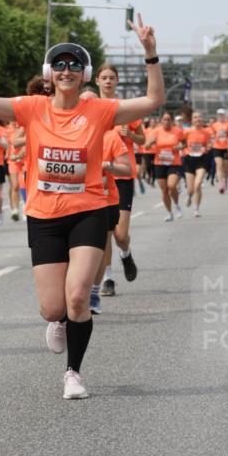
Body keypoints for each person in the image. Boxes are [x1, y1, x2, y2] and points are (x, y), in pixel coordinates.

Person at [0, 15, 164, 400]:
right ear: (49, 74)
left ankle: (73, 372)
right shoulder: (31, 109)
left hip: (88, 211)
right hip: (44, 216)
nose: (67, 70)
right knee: (52, 306)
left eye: (74, 64)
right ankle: (57, 320)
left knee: (78, 298)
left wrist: (151, 54)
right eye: (59, 64)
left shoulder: (100, 112)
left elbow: (154, 101)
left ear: (85, 73)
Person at [79, 89, 131, 315]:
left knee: (99, 248)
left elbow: (126, 168)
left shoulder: (110, 136)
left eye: (92, 102)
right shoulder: (68, 132)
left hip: (105, 199)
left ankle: (94, 291)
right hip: (73, 199)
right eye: (84, 102)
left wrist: (107, 166)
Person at [95, 63, 144, 294]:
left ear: (117, 81)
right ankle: (108, 278)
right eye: (103, 77)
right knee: (104, 230)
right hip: (98, 176)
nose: (107, 81)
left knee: (120, 234)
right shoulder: (89, 107)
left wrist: (130, 134)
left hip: (122, 175)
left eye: (111, 78)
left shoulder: (126, 109)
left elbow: (143, 140)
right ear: (97, 81)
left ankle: (126, 253)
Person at [146, 112, 185, 221]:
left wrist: (180, 146)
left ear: (172, 121)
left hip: (174, 163)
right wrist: (151, 143)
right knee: (164, 191)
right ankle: (170, 213)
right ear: (161, 121)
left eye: (169, 119)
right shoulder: (156, 132)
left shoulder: (178, 131)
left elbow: (184, 144)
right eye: (164, 119)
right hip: (160, 163)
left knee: (171, 186)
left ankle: (177, 206)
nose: (167, 121)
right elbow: (146, 146)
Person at [182, 111, 212, 217]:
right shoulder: (186, 132)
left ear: (202, 119)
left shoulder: (207, 132)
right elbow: (181, 144)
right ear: (192, 120)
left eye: (199, 117)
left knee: (198, 184)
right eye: (195, 118)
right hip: (189, 159)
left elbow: (209, 144)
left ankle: (196, 208)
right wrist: (182, 148)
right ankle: (190, 195)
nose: (197, 119)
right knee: (191, 188)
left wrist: (207, 147)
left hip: (201, 159)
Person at [210, 109, 228, 193]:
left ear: (225, 115)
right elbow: (212, 135)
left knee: (226, 167)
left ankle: (226, 181)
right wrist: (214, 138)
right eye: (219, 115)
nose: (221, 116)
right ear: (217, 115)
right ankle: (221, 184)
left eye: (222, 114)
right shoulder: (214, 125)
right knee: (219, 165)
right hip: (217, 147)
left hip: (226, 147)